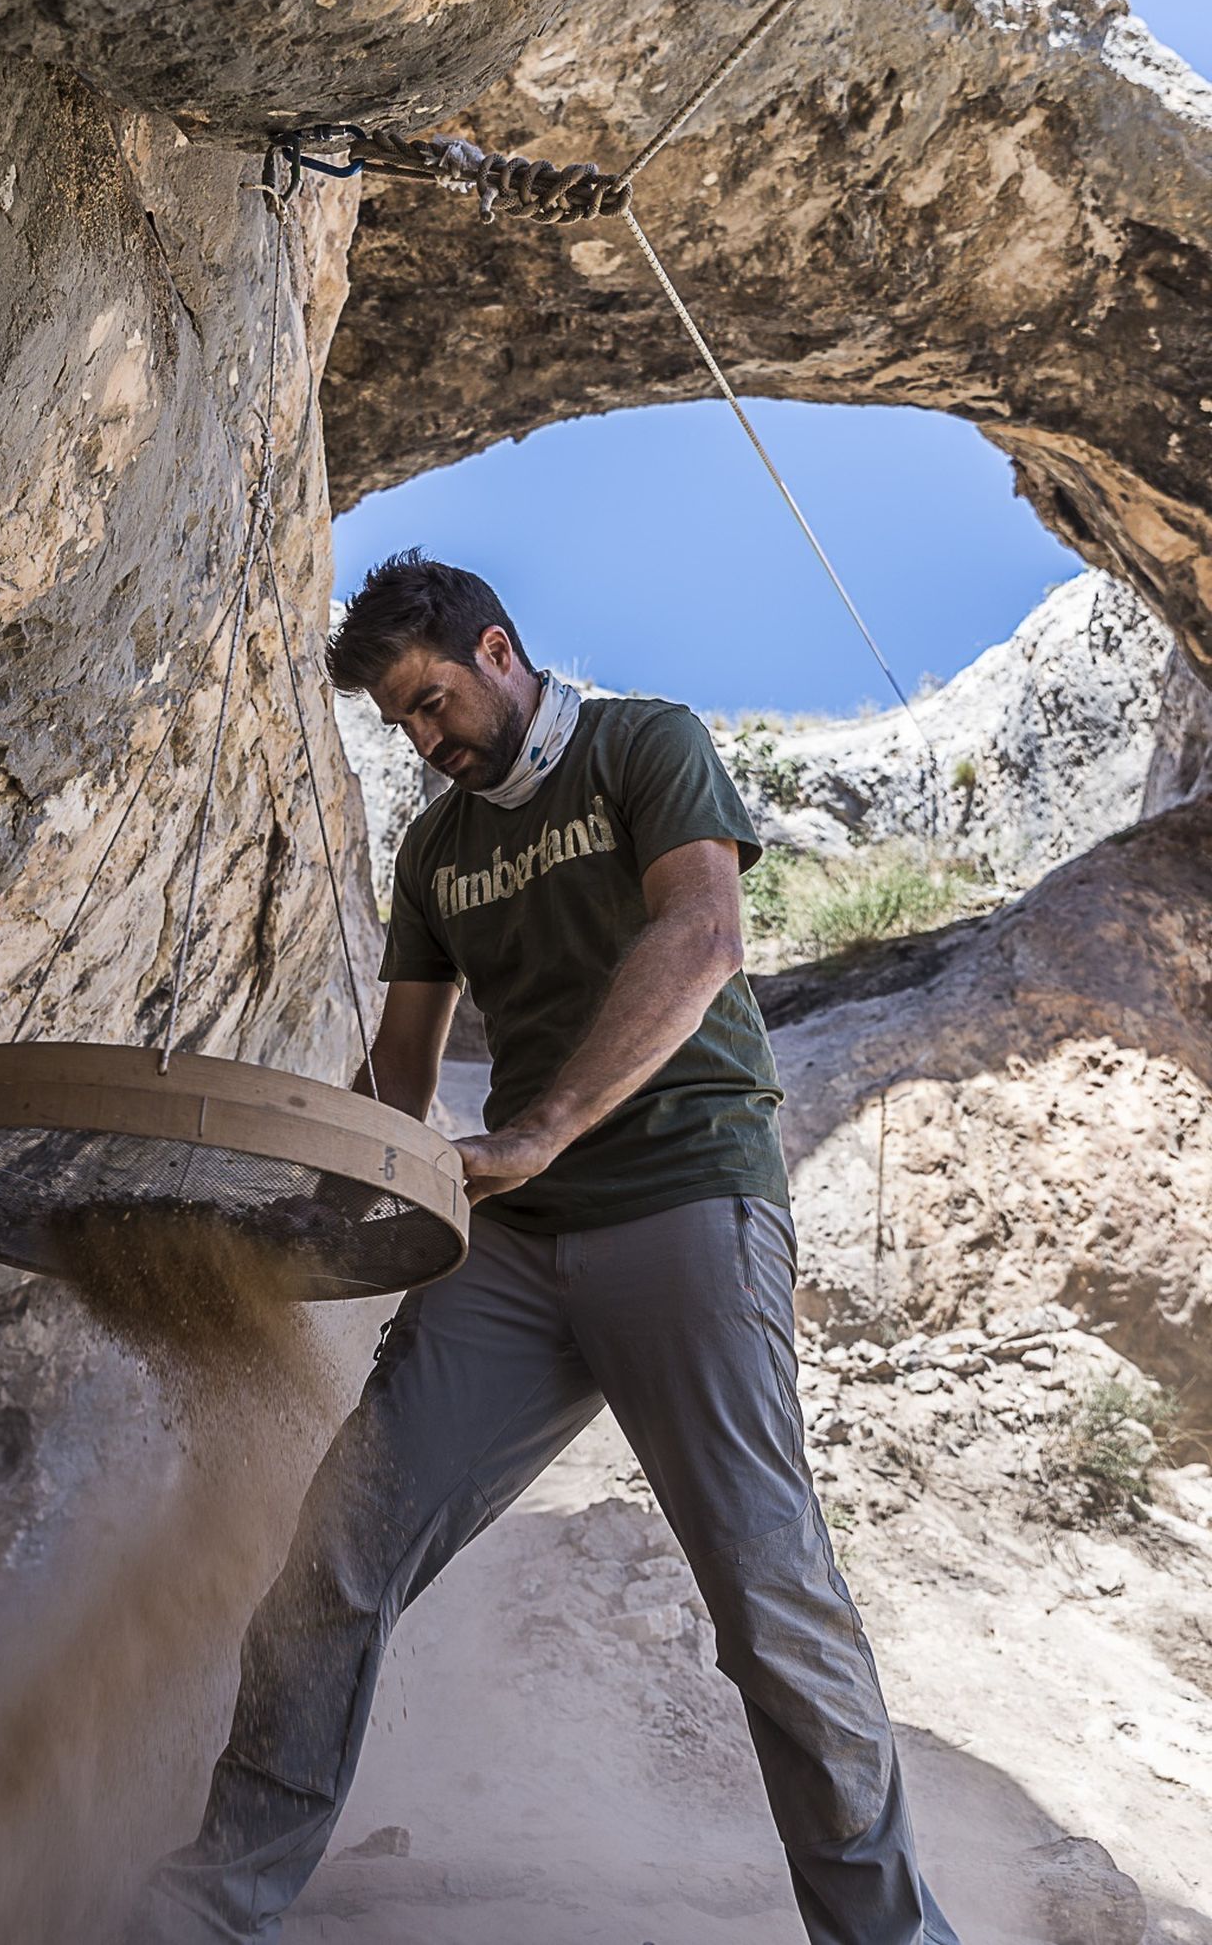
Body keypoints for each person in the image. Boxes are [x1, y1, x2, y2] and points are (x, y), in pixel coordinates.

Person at [147, 552, 958, 1945]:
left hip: (688, 1192)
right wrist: (293, 1212)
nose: (424, 736)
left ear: (499, 649)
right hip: (515, 1248)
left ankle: (895, 1937)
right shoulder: (434, 852)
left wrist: (543, 1126)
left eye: (432, 697)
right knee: (334, 1555)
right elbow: (396, 1076)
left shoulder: (646, 742)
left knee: (770, 1602)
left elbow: (705, 930)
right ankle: (198, 1914)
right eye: (399, 718)